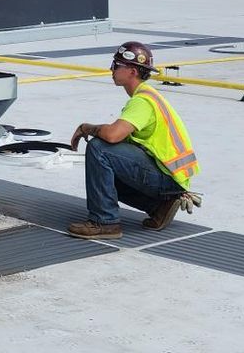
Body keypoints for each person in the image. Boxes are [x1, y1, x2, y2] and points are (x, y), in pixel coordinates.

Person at [66, 42, 201, 240]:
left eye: (116, 65)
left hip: (166, 178)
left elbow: (113, 135)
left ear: (132, 71)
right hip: (171, 178)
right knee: (105, 170)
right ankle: (159, 206)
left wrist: (86, 128)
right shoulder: (148, 96)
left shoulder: (142, 101)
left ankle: (105, 222)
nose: (111, 69)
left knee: (99, 149)